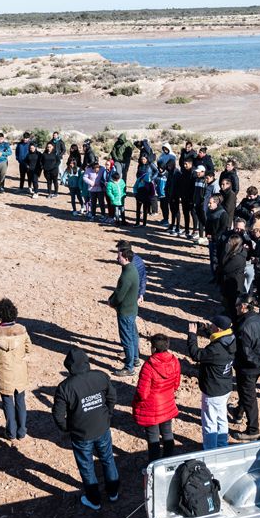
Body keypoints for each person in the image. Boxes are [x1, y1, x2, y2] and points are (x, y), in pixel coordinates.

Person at [53, 347, 119, 511]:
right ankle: (113, 492)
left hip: (81, 434)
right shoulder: (100, 376)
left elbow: (58, 415)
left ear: (69, 367)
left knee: (86, 466)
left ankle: (94, 500)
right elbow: (112, 397)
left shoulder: (65, 387)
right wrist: (107, 414)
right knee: (108, 458)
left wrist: (68, 428)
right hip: (102, 427)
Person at [0, 298, 32, 441]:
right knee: (20, 400)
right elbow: (29, 348)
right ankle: (21, 432)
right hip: (19, 371)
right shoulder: (22, 330)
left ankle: (11, 432)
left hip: (3, 373)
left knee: (7, 402)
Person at [187, 315, 236, 449]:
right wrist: (206, 329)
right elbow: (218, 338)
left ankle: (210, 450)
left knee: (209, 422)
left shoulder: (216, 350)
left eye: (213, 325)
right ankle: (222, 445)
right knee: (221, 418)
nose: (211, 326)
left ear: (219, 329)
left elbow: (196, 355)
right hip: (225, 387)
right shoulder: (231, 338)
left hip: (213, 390)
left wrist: (192, 335)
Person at [132, 333, 180, 464]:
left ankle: (154, 466)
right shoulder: (174, 361)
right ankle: (168, 461)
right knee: (167, 433)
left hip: (151, 407)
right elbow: (176, 384)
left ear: (153, 348)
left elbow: (142, 393)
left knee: (153, 439)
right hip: (167, 404)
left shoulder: (148, 366)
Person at [231, 294, 260, 442]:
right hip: (258, 365)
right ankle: (238, 413)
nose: (235, 308)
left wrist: (259, 361)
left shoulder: (242, 326)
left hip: (247, 368)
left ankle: (253, 430)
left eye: (237, 305)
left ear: (243, 306)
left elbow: (246, 354)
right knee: (245, 391)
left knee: (249, 397)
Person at [108, 247, 139, 376]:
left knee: (127, 339)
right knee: (133, 335)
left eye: (119, 256)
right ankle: (135, 359)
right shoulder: (132, 269)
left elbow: (119, 295)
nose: (117, 258)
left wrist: (111, 302)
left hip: (125, 311)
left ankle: (129, 367)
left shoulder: (126, 276)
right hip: (132, 309)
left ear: (125, 258)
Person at [217, 235, 248, 319]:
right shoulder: (235, 252)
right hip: (229, 281)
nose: (228, 243)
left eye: (229, 242)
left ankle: (231, 317)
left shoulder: (239, 257)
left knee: (232, 303)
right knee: (228, 300)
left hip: (233, 283)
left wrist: (225, 252)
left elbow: (225, 268)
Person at [204, 194, 230, 275]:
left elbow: (223, 228)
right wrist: (207, 234)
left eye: (210, 203)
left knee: (217, 259)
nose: (208, 205)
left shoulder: (223, 214)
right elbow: (207, 224)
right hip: (211, 239)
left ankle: (217, 276)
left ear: (216, 203)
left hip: (219, 241)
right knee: (212, 258)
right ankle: (214, 275)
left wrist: (214, 237)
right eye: (208, 203)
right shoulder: (209, 211)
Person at [133, 154, 156, 227]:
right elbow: (137, 174)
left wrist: (151, 178)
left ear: (147, 159)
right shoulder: (140, 165)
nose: (143, 160)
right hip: (140, 186)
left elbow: (156, 171)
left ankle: (144, 223)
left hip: (148, 186)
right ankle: (137, 222)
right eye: (142, 159)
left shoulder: (151, 164)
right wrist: (139, 179)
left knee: (145, 208)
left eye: (144, 159)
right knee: (138, 208)